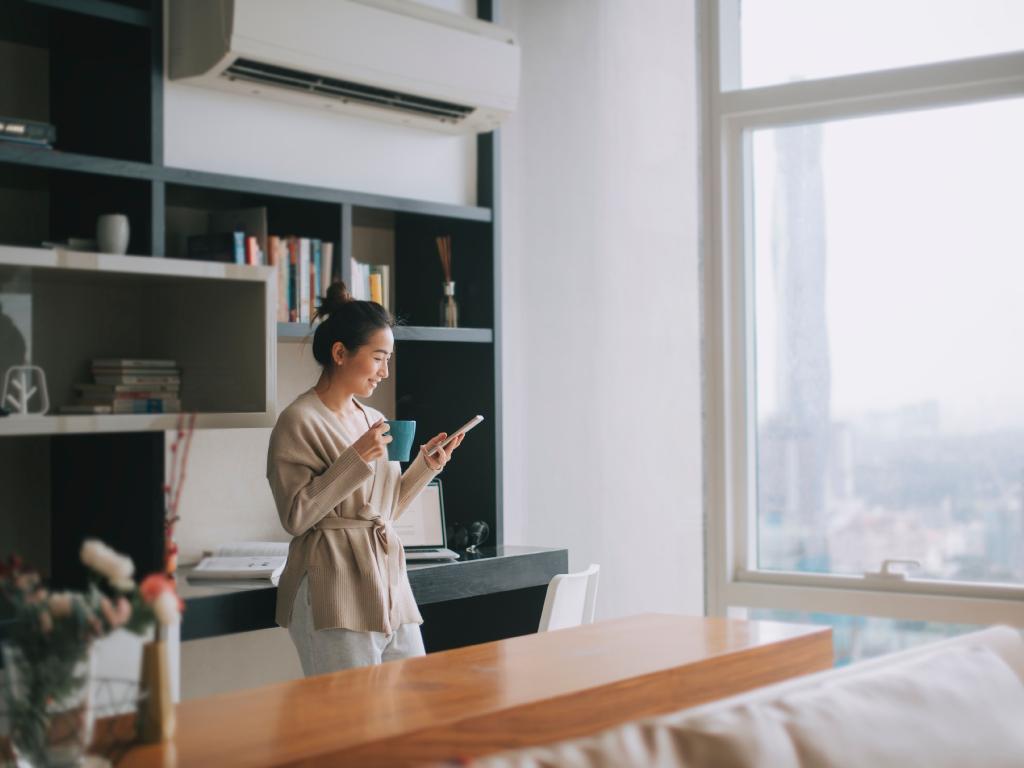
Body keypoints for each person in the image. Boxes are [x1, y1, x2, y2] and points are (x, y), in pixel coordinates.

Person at [267, 281, 463, 675]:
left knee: (413, 706)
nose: (385, 373)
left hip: (389, 582)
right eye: (377, 358)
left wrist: (427, 466)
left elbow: (382, 510)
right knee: (350, 719)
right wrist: (355, 458)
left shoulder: (372, 419)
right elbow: (296, 516)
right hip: (333, 586)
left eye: (388, 360)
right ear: (340, 353)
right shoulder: (298, 421)